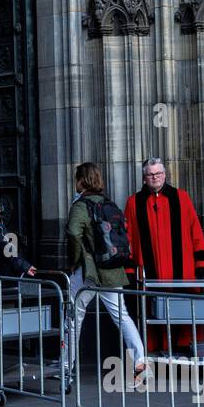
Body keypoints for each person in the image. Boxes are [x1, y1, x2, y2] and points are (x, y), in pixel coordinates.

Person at [67, 162, 146, 384]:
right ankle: (140, 359)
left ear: (82, 180)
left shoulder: (81, 205)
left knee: (74, 316)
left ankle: (66, 366)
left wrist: (74, 260)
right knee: (122, 315)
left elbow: (74, 232)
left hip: (88, 272)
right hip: (112, 269)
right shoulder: (108, 204)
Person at [123, 158, 204, 352]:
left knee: (185, 312)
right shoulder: (133, 202)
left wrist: (201, 262)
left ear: (165, 174)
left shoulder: (181, 198)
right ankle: (155, 355)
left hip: (182, 271)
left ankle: (186, 354)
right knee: (151, 312)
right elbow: (127, 238)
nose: (155, 177)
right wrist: (129, 268)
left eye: (158, 173)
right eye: (150, 174)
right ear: (144, 178)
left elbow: (195, 229)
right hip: (148, 271)